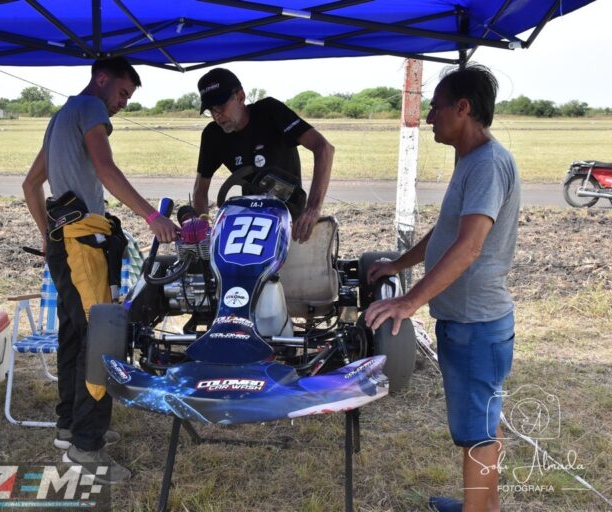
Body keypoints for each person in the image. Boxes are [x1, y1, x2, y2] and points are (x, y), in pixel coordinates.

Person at [364, 64, 520, 512]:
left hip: (477, 322)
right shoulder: (471, 160)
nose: (430, 117)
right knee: (483, 422)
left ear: (463, 108)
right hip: (466, 319)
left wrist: (409, 302)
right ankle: (482, 508)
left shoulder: (488, 165)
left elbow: (469, 248)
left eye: (436, 107)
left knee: (478, 430)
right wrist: (400, 262)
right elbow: (448, 230)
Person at [22, 57, 177, 481]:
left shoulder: (60, 117)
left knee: (74, 334)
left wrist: (49, 232)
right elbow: (105, 167)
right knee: (100, 338)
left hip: (65, 241)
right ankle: (86, 449)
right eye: (123, 93)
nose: (122, 104)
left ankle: (69, 427)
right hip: (84, 242)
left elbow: (30, 184)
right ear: (102, 79)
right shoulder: (90, 108)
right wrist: (152, 216)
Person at [193, 67, 334, 243]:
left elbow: (324, 149)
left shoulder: (270, 112)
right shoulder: (213, 135)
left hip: (290, 217)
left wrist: (313, 209)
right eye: (211, 110)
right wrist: (204, 229)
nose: (217, 115)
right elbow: (200, 189)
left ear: (240, 97)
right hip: (251, 221)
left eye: (221, 106)